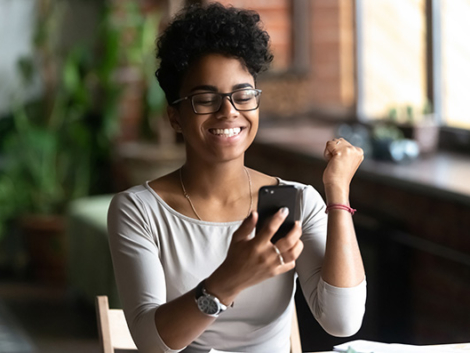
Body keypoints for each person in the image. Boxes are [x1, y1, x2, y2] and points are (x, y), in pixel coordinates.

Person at [107, 3, 366, 353]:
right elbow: (151, 344)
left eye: (243, 95)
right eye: (205, 99)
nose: (229, 111)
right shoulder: (139, 211)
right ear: (175, 117)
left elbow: (342, 321)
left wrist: (337, 191)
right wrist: (230, 278)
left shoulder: (298, 201)